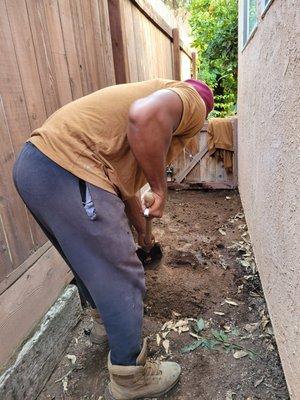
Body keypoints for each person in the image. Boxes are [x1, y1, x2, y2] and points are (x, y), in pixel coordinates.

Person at [13, 78, 214, 400]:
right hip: (69, 168)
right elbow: (144, 115)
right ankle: (130, 377)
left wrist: (145, 236)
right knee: (121, 273)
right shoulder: (193, 97)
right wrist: (160, 189)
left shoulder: (114, 127)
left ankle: (107, 324)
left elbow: (128, 195)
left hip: (37, 168)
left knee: (89, 264)